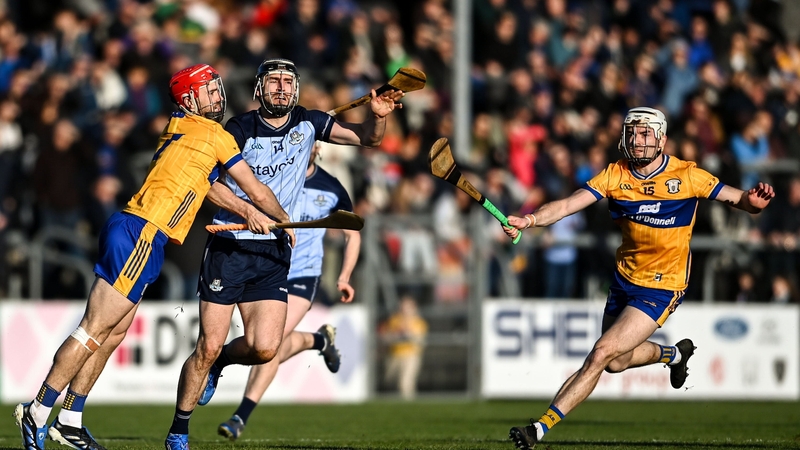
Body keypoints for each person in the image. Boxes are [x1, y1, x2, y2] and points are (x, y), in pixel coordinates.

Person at [14, 63, 290, 450]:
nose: (218, 96)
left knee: (113, 333)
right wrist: (281, 220)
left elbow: (209, 186)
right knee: (94, 329)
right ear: (190, 99)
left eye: (216, 88)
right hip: (141, 231)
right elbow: (255, 189)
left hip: (148, 236)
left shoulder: (182, 127)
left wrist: (249, 213)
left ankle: (71, 419)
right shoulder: (212, 134)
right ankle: (38, 409)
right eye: (209, 91)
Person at [164, 58, 404, 450]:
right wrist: (247, 211)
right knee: (206, 345)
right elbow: (206, 184)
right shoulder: (238, 129)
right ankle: (178, 430)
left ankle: (221, 362)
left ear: (296, 88)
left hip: (274, 250)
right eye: (273, 81)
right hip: (231, 245)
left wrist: (378, 118)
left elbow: (368, 139)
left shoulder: (310, 122)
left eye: (287, 82)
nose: (281, 88)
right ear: (259, 88)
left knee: (264, 348)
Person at [504, 107, 775, 449]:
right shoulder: (615, 174)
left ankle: (538, 429)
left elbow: (740, 200)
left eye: (646, 133)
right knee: (616, 362)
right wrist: (529, 221)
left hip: (663, 284)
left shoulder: (688, 175)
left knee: (601, 353)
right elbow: (566, 205)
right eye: (632, 132)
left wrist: (755, 202)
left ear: (662, 138)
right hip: (624, 278)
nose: (637, 139)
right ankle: (673, 355)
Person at [216, 143, 361, 441]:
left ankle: (240, 416)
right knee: (265, 344)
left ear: (317, 147)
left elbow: (352, 232)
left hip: (302, 275)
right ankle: (319, 339)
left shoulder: (331, 187)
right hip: (267, 267)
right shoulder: (273, 180)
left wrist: (345, 276)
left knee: (272, 344)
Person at [379, 295, 428, 400]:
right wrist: (395, 336)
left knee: (405, 383)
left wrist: (408, 334)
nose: (404, 309)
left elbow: (420, 339)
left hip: (411, 355)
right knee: (389, 382)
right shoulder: (394, 320)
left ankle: (410, 407)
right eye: (403, 305)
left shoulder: (418, 322)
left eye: (407, 306)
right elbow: (386, 336)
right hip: (394, 355)